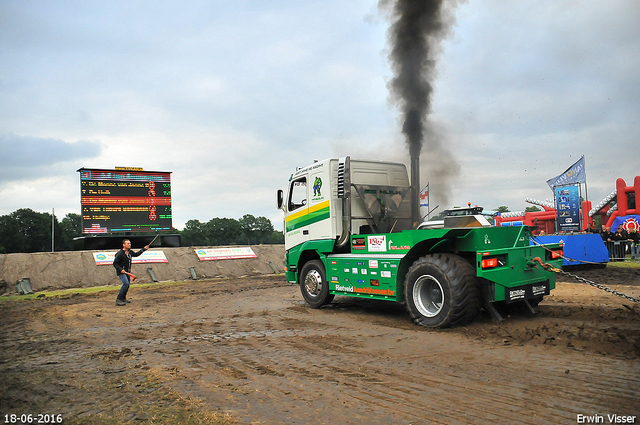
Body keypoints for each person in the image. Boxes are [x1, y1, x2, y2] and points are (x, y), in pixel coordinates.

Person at [113, 239, 149, 306]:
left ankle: (123, 298)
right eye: (127, 243)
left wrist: (143, 249)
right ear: (123, 245)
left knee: (127, 285)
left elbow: (136, 254)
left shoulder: (129, 252)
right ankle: (119, 299)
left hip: (127, 272)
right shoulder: (120, 253)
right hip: (122, 272)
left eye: (129, 243)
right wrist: (121, 269)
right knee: (126, 284)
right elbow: (115, 263)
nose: (129, 244)